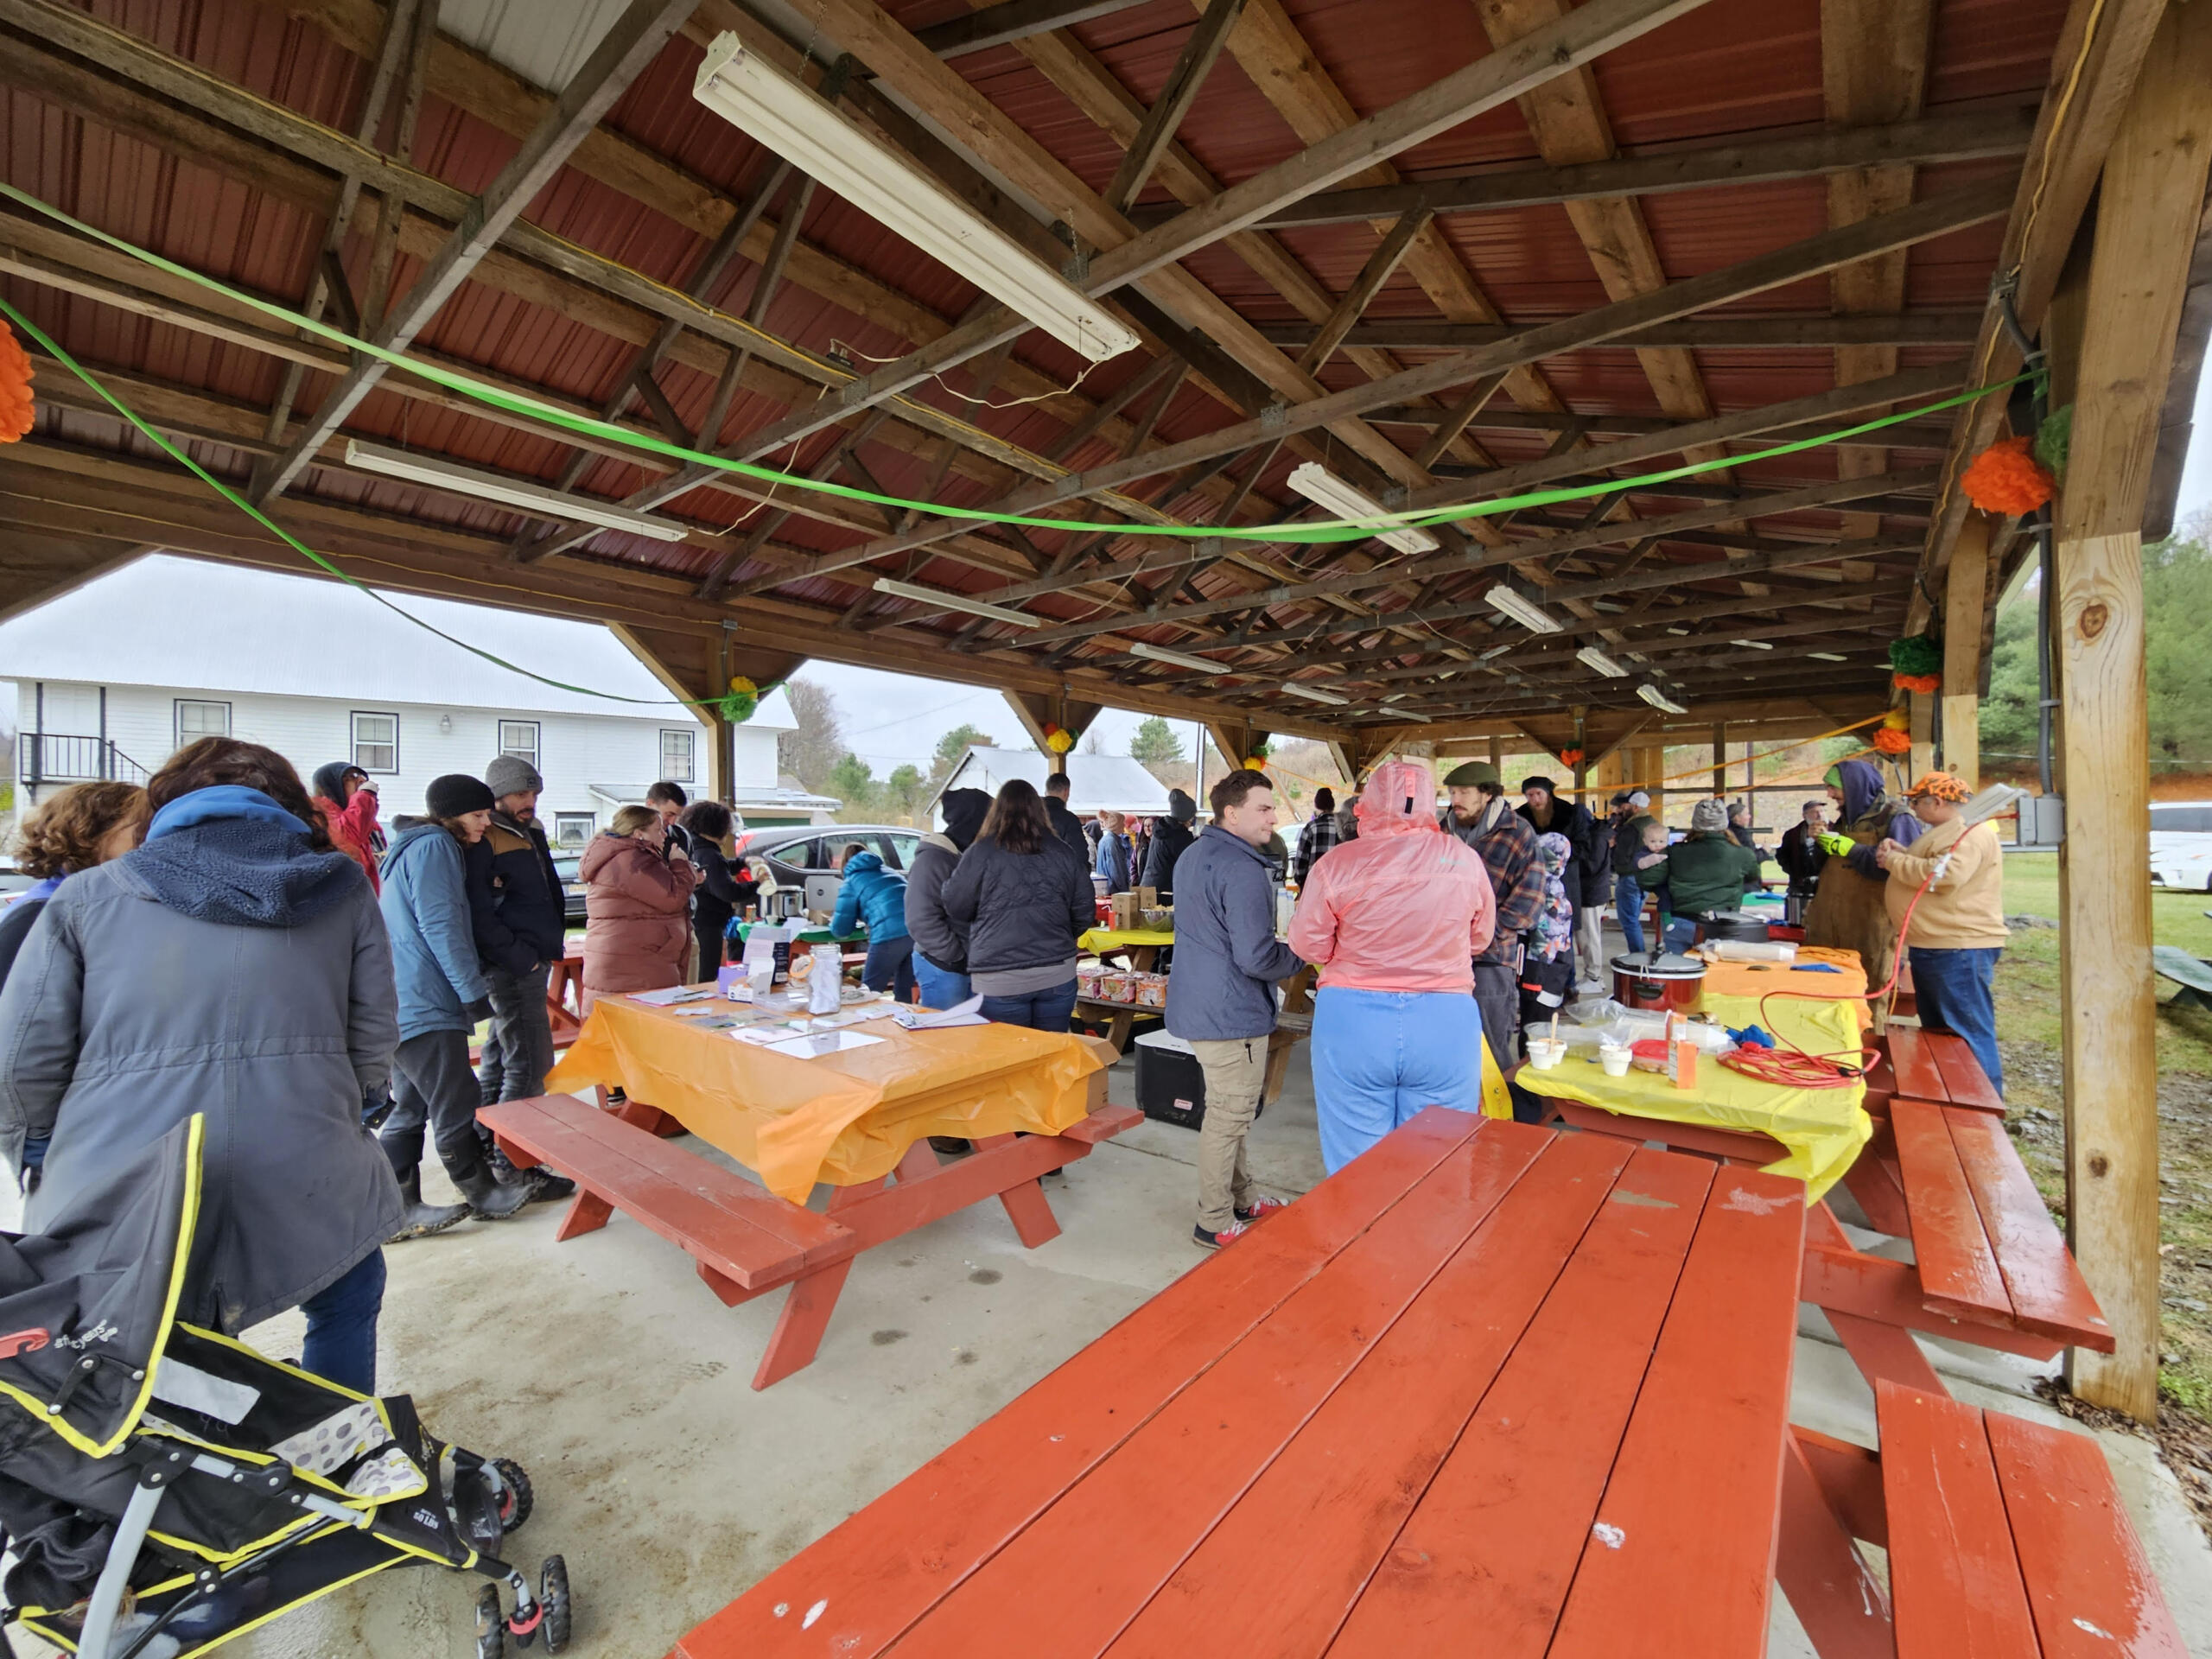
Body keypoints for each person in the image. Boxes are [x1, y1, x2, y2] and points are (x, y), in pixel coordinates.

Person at [0, 739, 405, 1393]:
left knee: (146, 1342)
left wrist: (40, 1146)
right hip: (305, 1151)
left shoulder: (86, 897)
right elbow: (374, 1029)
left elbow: (22, 1055)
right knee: (344, 1297)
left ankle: (176, 1478)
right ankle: (341, 1453)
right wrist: (354, 1106)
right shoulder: (342, 889)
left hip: (125, 1179)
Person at [1289, 760, 1497, 1173]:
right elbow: (1480, 937)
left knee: (1356, 1163)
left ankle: (1363, 1234)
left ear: (1368, 803)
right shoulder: (1463, 859)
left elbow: (1306, 942)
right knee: (1439, 1161)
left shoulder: (1337, 863)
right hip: (1444, 1020)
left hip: (1353, 1021)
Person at [381, 775, 530, 1235]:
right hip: (425, 997)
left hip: (398, 999)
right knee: (454, 1097)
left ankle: (396, 1209)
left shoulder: (407, 847)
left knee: (408, 1105)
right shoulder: (435, 848)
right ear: (449, 816)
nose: (486, 823)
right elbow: (441, 924)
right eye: (478, 815)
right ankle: (483, 1191)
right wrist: (470, 991)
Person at [1166, 770, 1303, 1249]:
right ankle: (1214, 1220)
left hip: (1201, 1004)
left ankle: (1242, 1198)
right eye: (1263, 809)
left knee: (1232, 1112)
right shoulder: (1243, 868)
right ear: (1232, 812)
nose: (1273, 817)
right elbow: (1257, 956)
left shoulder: (1193, 854)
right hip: (1231, 1012)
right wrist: (1304, 954)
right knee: (1228, 1118)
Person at [1877, 772, 2007, 1094]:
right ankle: (1951, 1091)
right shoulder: (1948, 832)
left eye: (1916, 801)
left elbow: (1943, 875)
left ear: (1936, 802)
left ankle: (1978, 1102)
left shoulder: (1967, 833)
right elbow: (1936, 862)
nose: (1913, 807)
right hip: (1939, 945)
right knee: (1941, 1031)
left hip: (1957, 948)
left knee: (1964, 1032)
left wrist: (1893, 860)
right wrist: (1905, 852)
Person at [940, 779, 1093, 1030]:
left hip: (999, 975)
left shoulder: (980, 852)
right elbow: (1084, 909)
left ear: (996, 811)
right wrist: (1062, 933)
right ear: (1040, 810)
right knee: (1051, 1058)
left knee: (1011, 1061)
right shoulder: (1062, 851)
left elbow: (956, 905)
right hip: (1056, 972)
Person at [1438, 762, 1545, 1084]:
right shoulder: (1442, 832)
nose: (1455, 799)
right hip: (1443, 960)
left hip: (1492, 960)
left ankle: (1499, 1127)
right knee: (1446, 1045)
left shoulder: (1518, 834)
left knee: (1490, 1046)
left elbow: (1529, 904)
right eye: (1452, 793)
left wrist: (1479, 934)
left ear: (1487, 794)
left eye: (1464, 793)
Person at [469, 754, 566, 1108]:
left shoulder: (531, 830)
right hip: (511, 962)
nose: (530, 802)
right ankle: (511, 1160)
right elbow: (479, 910)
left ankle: (486, 1142)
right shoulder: (484, 835)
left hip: (531, 954)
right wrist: (520, 957)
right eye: (521, 795)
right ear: (497, 796)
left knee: (499, 1058)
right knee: (530, 1066)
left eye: (534, 795)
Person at [0, 780, 145, 995]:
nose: (150, 840)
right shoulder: (41, 914)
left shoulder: (81, 904)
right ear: (87, 833)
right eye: (141, 829)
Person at [1804, 757, 1922, 989]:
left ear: (1854, 785)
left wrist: (1853, 850)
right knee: (1824, 986)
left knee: (1870, 984)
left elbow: (1904, 869)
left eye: (1833, 787)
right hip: (1830, 923)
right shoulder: (1845, 819)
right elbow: (1819, 867)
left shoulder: (1896, 817)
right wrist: (1818, 842)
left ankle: (1871, 1027)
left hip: (1872, 921)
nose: (1829, 794)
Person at [580, 804, 700, 1006]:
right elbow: (672, 898)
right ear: (639, 833)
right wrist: (681, 864)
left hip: (632, 960)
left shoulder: (626, 857)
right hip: (635, 964)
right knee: (639, 1029)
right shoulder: (632, 860)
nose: (664, 835)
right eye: (658, 830)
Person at [906, 787, 991, 1010]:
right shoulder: (933, 860)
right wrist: (955, 956)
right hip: (943, 967)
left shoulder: (972, 854)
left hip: (972, 965)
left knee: (975, 1037)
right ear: (974, 820)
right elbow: (920, 919)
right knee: (947, 1037)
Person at [1639, 798, 1763, 950]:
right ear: (1724, 824)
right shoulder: (1743, 854)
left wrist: (1666, 887)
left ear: (1695, 824)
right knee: (1719, 972)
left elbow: (1646, 880)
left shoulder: (1675, 852)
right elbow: (1753, 876)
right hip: (1723, 923)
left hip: (1679, 921)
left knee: (1680, 970)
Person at [1516, 776, 1601, 992]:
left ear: (1549, 794)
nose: (1535, 800)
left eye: (1539, 794)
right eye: (1530, 795)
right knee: (1533, 935)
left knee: (1563, 936)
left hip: (1565, 883)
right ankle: (1534, 985)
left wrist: (1555, 858)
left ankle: (1567, 987)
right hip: (1531, 884)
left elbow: (1583, 847)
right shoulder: (1520, 816)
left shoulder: (1571, 813)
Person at [831, 840, 916, 1002]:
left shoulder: (851, 882)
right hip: (916, 930)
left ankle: (865, 1026)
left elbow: (841, 930)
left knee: (869, 990)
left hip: (888, 935)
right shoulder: (890, 872)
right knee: (904, 990)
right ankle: (904, 1022)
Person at [681, 799, 753, 978]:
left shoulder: (695, 846)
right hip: (707, 924)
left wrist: (742, 862)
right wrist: (759, 882)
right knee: (706, 976)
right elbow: (727, 891)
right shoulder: (709, 854)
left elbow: (719, 869)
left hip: (695, 921)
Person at [1517, 831, 1580, 1030]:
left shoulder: (1547, 889)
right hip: (1551, 967)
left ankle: (1531, 1059)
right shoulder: (1552, 884)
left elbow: (1545, 936)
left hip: (1545, 972)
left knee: (1535, 1028)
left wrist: (1533, 980)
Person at [311, 762, 384, 893]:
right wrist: (366, 795)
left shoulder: (369, 825)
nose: (361, 781)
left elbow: (381, 857)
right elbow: (350, 839)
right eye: (350, 777)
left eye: (361, 776)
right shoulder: (320, 816)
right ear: (332, 786)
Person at [1611, 790, 1658, 953]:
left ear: (1636, 807)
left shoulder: (1632, 828)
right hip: (1646, 878)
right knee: (1634, 919)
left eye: (1624, 806)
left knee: (1629, 921)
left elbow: (1621, 856)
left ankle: (1637, 955)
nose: (1620, 810)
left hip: (1630, 877)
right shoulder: (1652, 822)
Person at [1141, 789, 1198, 900]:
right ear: (1187, 818)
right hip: (1167, 892)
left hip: (1148, 886)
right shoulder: (1181, 837)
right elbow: (1189, 868)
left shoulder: (1160, 829)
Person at [1777, 799, 1832, 898]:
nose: (1820, 815)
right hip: (1800, 886)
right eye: (1815, 812)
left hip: (1829, 885)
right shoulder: (1793, 834)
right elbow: (1782, 856)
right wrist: (1794, 872)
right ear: (1805, 816)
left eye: (1822, 811)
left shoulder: (1835, 830)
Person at [1293, 786, 1343, 887]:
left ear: (1316, 805)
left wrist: (1303, 885)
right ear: (1333, 806)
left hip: (1315, 887)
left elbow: (1300, 866)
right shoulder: (1344, 827)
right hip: (1340, 886)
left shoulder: (1311, 828)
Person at [1042, 772, 1090, 864]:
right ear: (1066, 792)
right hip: (1060, 875)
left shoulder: (1030, 816)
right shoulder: (1069, 820)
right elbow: (1079, 856)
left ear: (1046, 792)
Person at [1093, 810, 1134, 893]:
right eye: (1122, 822)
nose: (1124, 825)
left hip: (1107, 888)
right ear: (1116, 824)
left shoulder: (1106, 840)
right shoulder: (1111, 842)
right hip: (1114, 890)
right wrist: (1124, 890)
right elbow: (1115, 869)